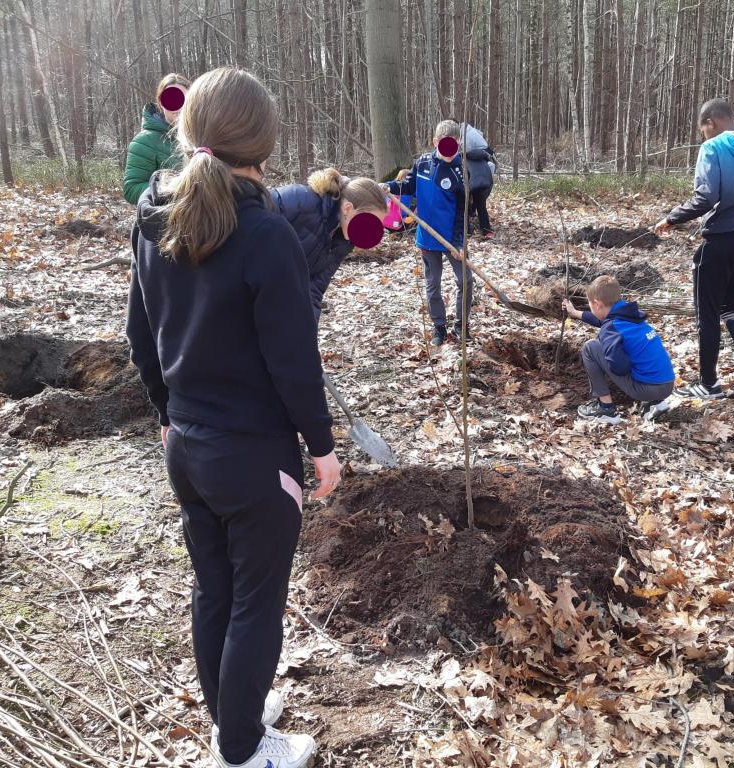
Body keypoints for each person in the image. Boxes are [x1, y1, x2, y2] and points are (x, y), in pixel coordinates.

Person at [126, 67, 339, 768]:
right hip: (252, 458)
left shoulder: (153, 210)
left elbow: (141, 331)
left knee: (213, 586)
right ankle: (242, 749)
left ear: (188, 132)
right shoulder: (266, 233)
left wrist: (166, 412)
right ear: (265, 145)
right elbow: (292, 359)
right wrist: (322, 445)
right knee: (254, 600)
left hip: (186, 446)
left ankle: (232, 708)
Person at [653, 98, 734, 401]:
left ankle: (708, 383)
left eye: (703, 129)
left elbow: (705, 198)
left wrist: (671, 219)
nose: (703, 135)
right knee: (731, 304)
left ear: (710, 122)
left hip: (722, 239)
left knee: (708, 313)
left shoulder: (712, 148)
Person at [386, 119, 474, 345]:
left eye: (454, 144)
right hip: (427, 238)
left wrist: (459, 243)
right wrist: (389, 186)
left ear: (459, 143)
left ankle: (461, 326)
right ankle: (439, 328)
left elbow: (463, 213)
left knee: (465, 280)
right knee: (432, 284)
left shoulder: (461, 172)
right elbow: (409, 185)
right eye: (445, 144)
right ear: (435, 142)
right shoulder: (423, 163)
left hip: (452, 239)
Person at [272, 169, 387, 321]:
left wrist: (306, 333)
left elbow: (314, 289)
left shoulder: (343, 242)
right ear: (348, 208)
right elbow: (246, 214)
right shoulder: (299, 200)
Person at [563, 276, 675, 424]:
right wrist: (576, 313)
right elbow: (604, 321)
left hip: (646, 389)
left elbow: (619, 368)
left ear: (597, 304)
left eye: (589, 305)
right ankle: (655, 403)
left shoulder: (610, 329)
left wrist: (608, 361)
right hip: (667, 385)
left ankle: (606, 409)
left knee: (590, 347)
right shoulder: (631, 315)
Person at [122, 73, 191, 205]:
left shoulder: (202, 136)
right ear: (161, 102)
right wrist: (171, 191)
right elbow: (131, 189)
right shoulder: (144, 141)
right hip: (166, 221)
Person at [459, 122, 496, 239]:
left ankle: (467, 230)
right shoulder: (483, 157)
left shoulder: (464, 159)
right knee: (481, 206)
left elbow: (465, 177)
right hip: (486, 184)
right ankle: (486, 230)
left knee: (463, 205)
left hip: (473, 184)